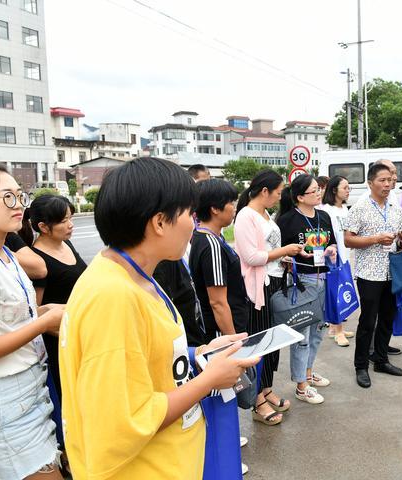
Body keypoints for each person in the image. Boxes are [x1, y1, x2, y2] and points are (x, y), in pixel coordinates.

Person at [59, 157, 258, 478]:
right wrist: (208, 379)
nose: (193, 225)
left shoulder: (134, 274)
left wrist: (200, 354)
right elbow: (124, 421)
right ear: (160, 222)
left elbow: (145, 357)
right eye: (189, 214)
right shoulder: (113, 296)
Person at [0, 157, 64, 479]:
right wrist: (42, 323)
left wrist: (40, 313)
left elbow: (2, 319)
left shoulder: (5, 254)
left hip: (29, 387)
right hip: (2, 397)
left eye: (20, 195)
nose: (18, 204)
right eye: (6, 196)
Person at [234, 169, 303, 424]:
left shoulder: (265, 214)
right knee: (259, 344)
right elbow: (251, 257)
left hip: (273, 282)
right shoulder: (245, 216)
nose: (279, 197)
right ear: (264, 191)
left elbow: (268, 252)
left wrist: (283, 258)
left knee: (272, 344)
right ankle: (256, 401)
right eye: (277, 192)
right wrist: (283, 250)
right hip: (258, 288)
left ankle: (266, 389)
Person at [345, 162, 402, 388]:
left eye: (389, 180)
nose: (387, 184)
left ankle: (381, 360)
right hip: (369, 274)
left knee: (387, 319)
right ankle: (361, 366)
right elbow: (348, 239)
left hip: (392, 272)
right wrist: (375, 239)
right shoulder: (360, 207)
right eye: (382, 180)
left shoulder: (395, 207)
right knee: (367, 322)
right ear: (370, 182)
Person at [20, 194, 88, 402]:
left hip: (80, 334)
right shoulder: (37, 260)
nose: (70, 225)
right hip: (58, 345)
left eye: (70, 218)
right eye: (63, 221)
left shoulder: (66, 244)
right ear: (43, 227)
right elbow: (35, 311)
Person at [277, 175, 337, 404]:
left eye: (319, 189)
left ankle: (308, 373)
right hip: (301, 281)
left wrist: (330, 249)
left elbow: (330, 242)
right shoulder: (287, 221)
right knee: (302, 335)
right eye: (314, 191)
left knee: (319, 331)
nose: (319, 193)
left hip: (324, 277)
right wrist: (292, 254)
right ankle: (301, 386)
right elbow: (278, 253)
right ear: (300, 197)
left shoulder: (324, 215)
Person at [190, 179, 246, 341]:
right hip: (221, 332)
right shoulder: (211, 244)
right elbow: (218, 303)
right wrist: (233, 341)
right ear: (214, 208)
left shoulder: (206, 236)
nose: (234, 208)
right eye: (231, 203)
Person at [319, 175, 355, 346]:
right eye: (345, 187)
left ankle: (335, 327)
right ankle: (338, 330)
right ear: (334, 190)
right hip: (333, 258)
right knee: (336, 294)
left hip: (344, 256)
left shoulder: (344, 209)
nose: (348, 191)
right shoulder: (326, 210)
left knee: (341, 291)